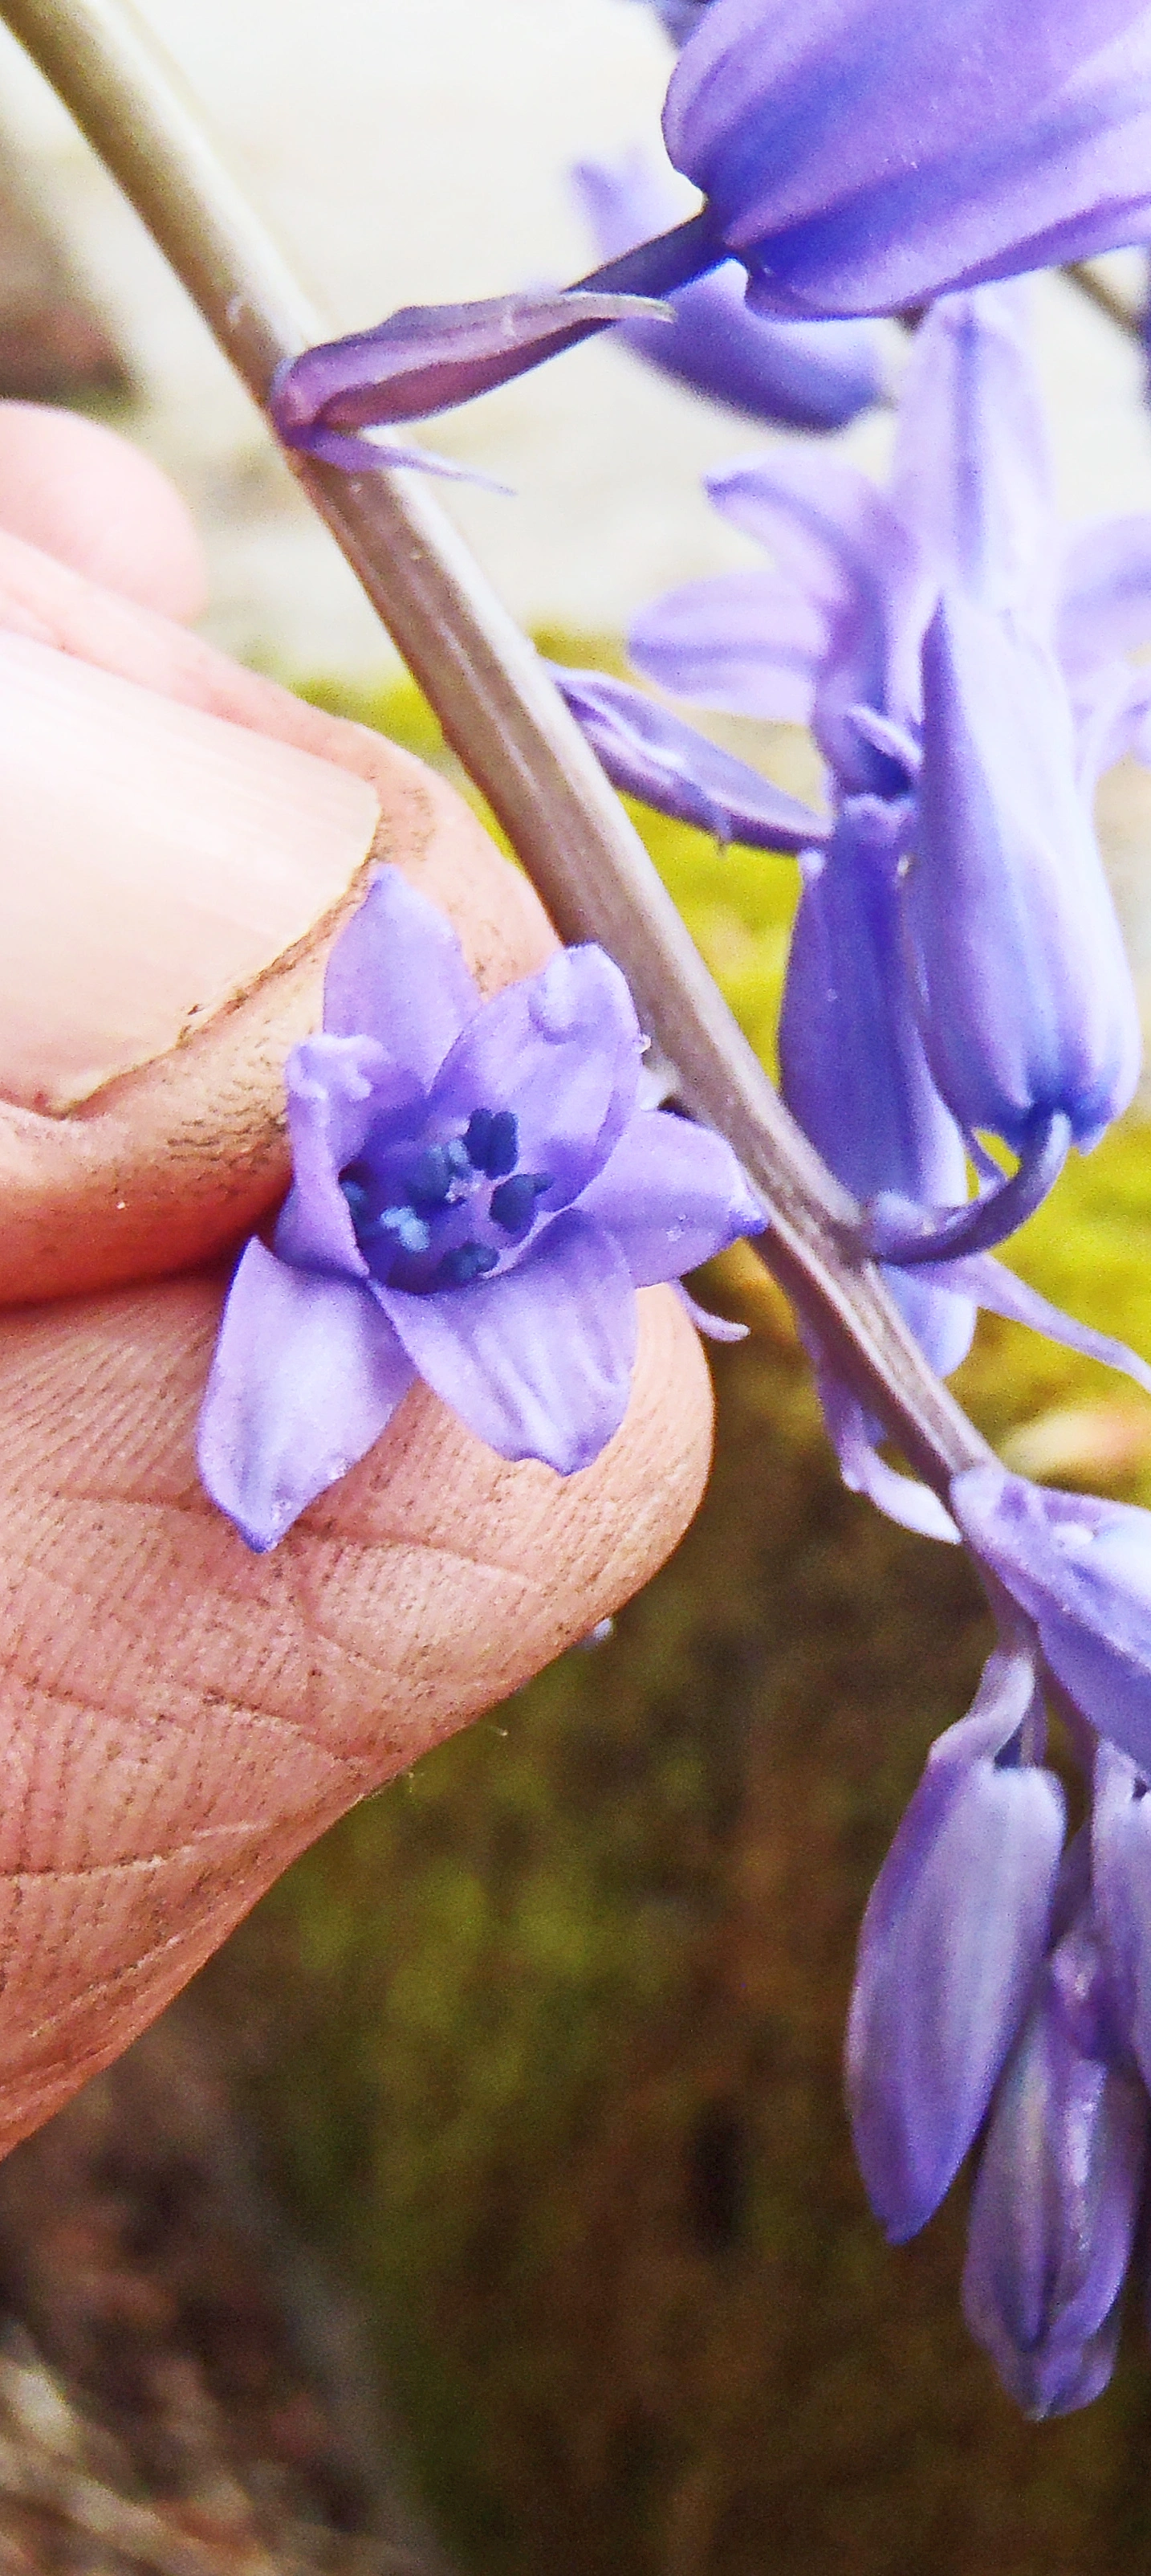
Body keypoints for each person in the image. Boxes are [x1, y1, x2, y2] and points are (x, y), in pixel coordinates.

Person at [0, 401, 715, 2158]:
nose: (468, 1201)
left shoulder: (463, 1268)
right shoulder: (367, 1011)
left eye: (499, 1218)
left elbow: (571, 1358)